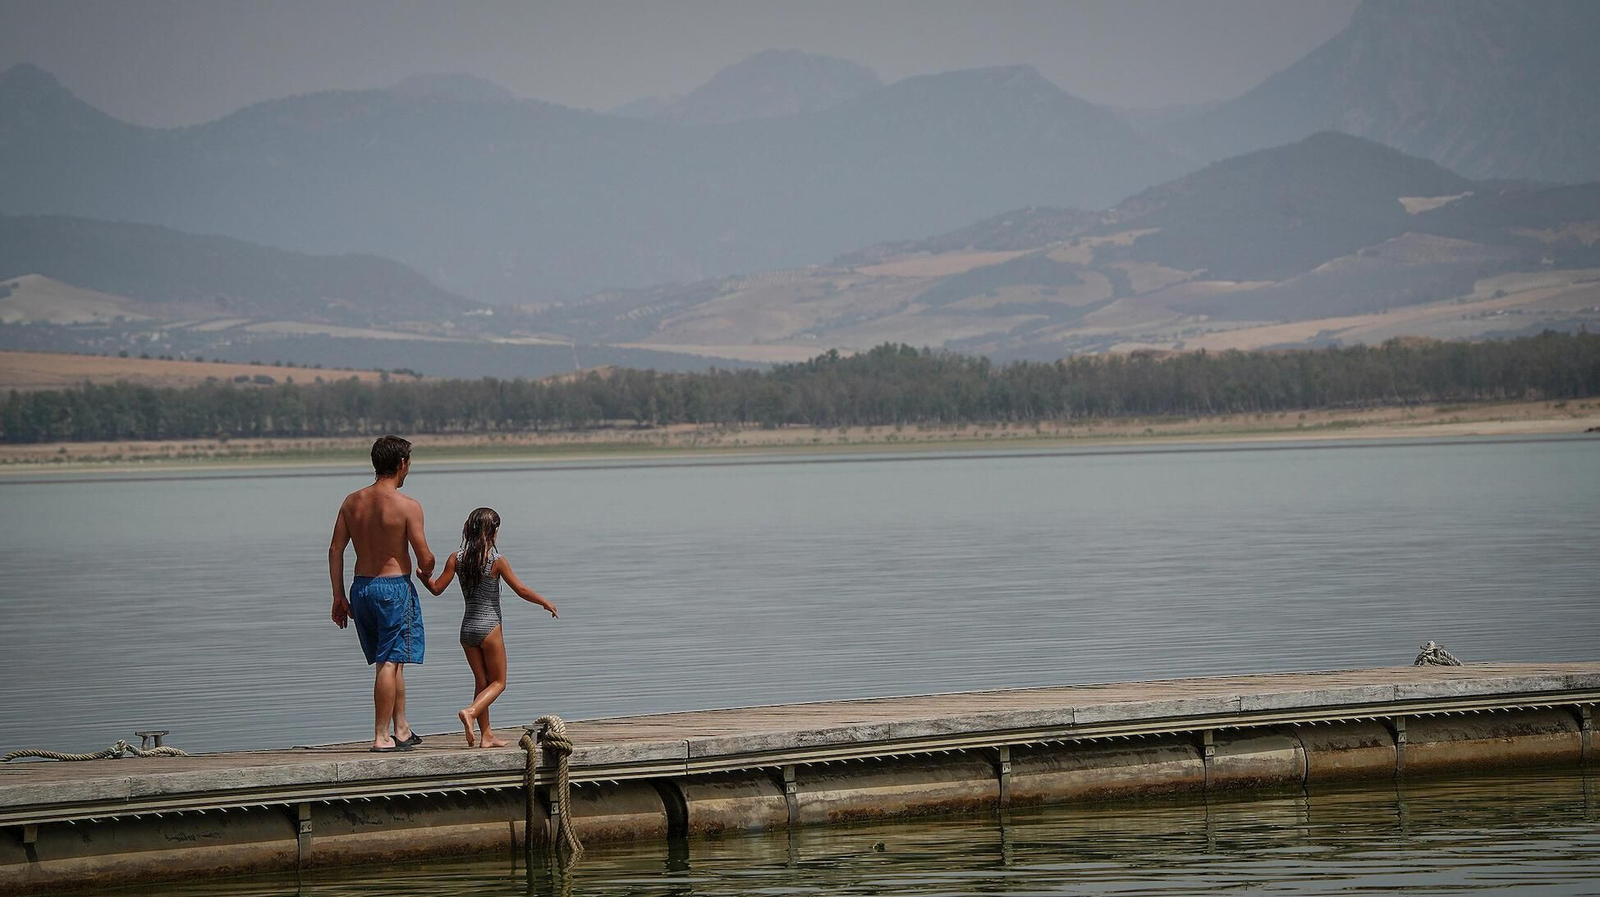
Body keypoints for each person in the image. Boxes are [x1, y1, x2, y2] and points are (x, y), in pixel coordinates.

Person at [329, 435, 436, 752]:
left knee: (392, 659)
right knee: (389, 662)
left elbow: (335, 550)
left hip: (361, 588)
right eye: (409, 463)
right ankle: (381, 735)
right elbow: (424, 558)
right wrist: (428, 568)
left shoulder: (352, 502)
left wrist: (338, 595)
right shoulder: (407, 506)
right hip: (393, 589)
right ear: (402, 463)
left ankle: (401, 728)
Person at [420, 507, 558, 748]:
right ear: (492, 531)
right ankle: (471, 712)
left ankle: (486, 736)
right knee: (499, 682)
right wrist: (544, 602)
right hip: (489, 627)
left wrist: (424, 579)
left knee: (482, 682)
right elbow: (521, 590)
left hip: (467, 629)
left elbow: (436, 589)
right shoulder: (496, 560)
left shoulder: (456, 558)